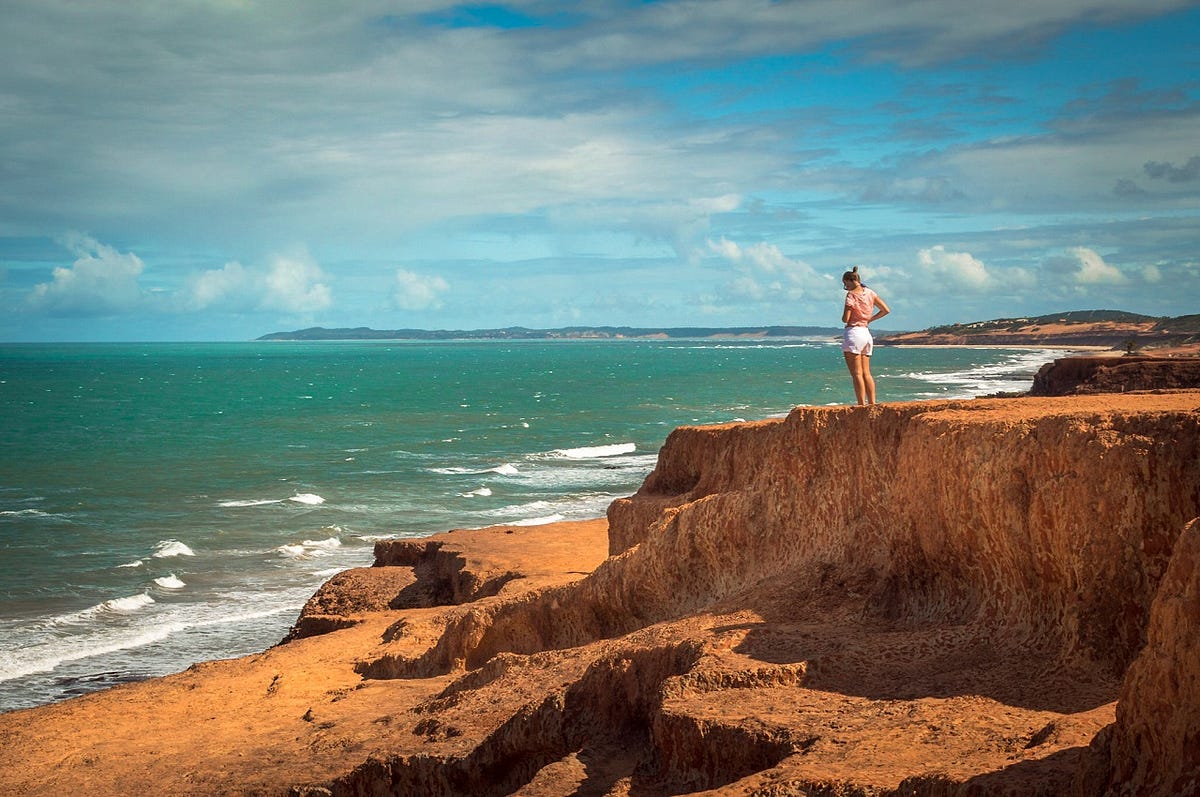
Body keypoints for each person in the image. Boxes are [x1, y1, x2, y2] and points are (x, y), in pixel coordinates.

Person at [841, 266, 890, 405]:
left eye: (846, 284)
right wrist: (870, 319)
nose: (846, 287)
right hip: (866, 333)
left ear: (850, 280)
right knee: (866, 373)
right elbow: (885, 310)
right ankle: (872, 403)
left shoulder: (851, 295)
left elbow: (846, 318)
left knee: (856, 373)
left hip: (854, 333)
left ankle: (861, 404)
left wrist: (847, 312)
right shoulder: (870, 292)